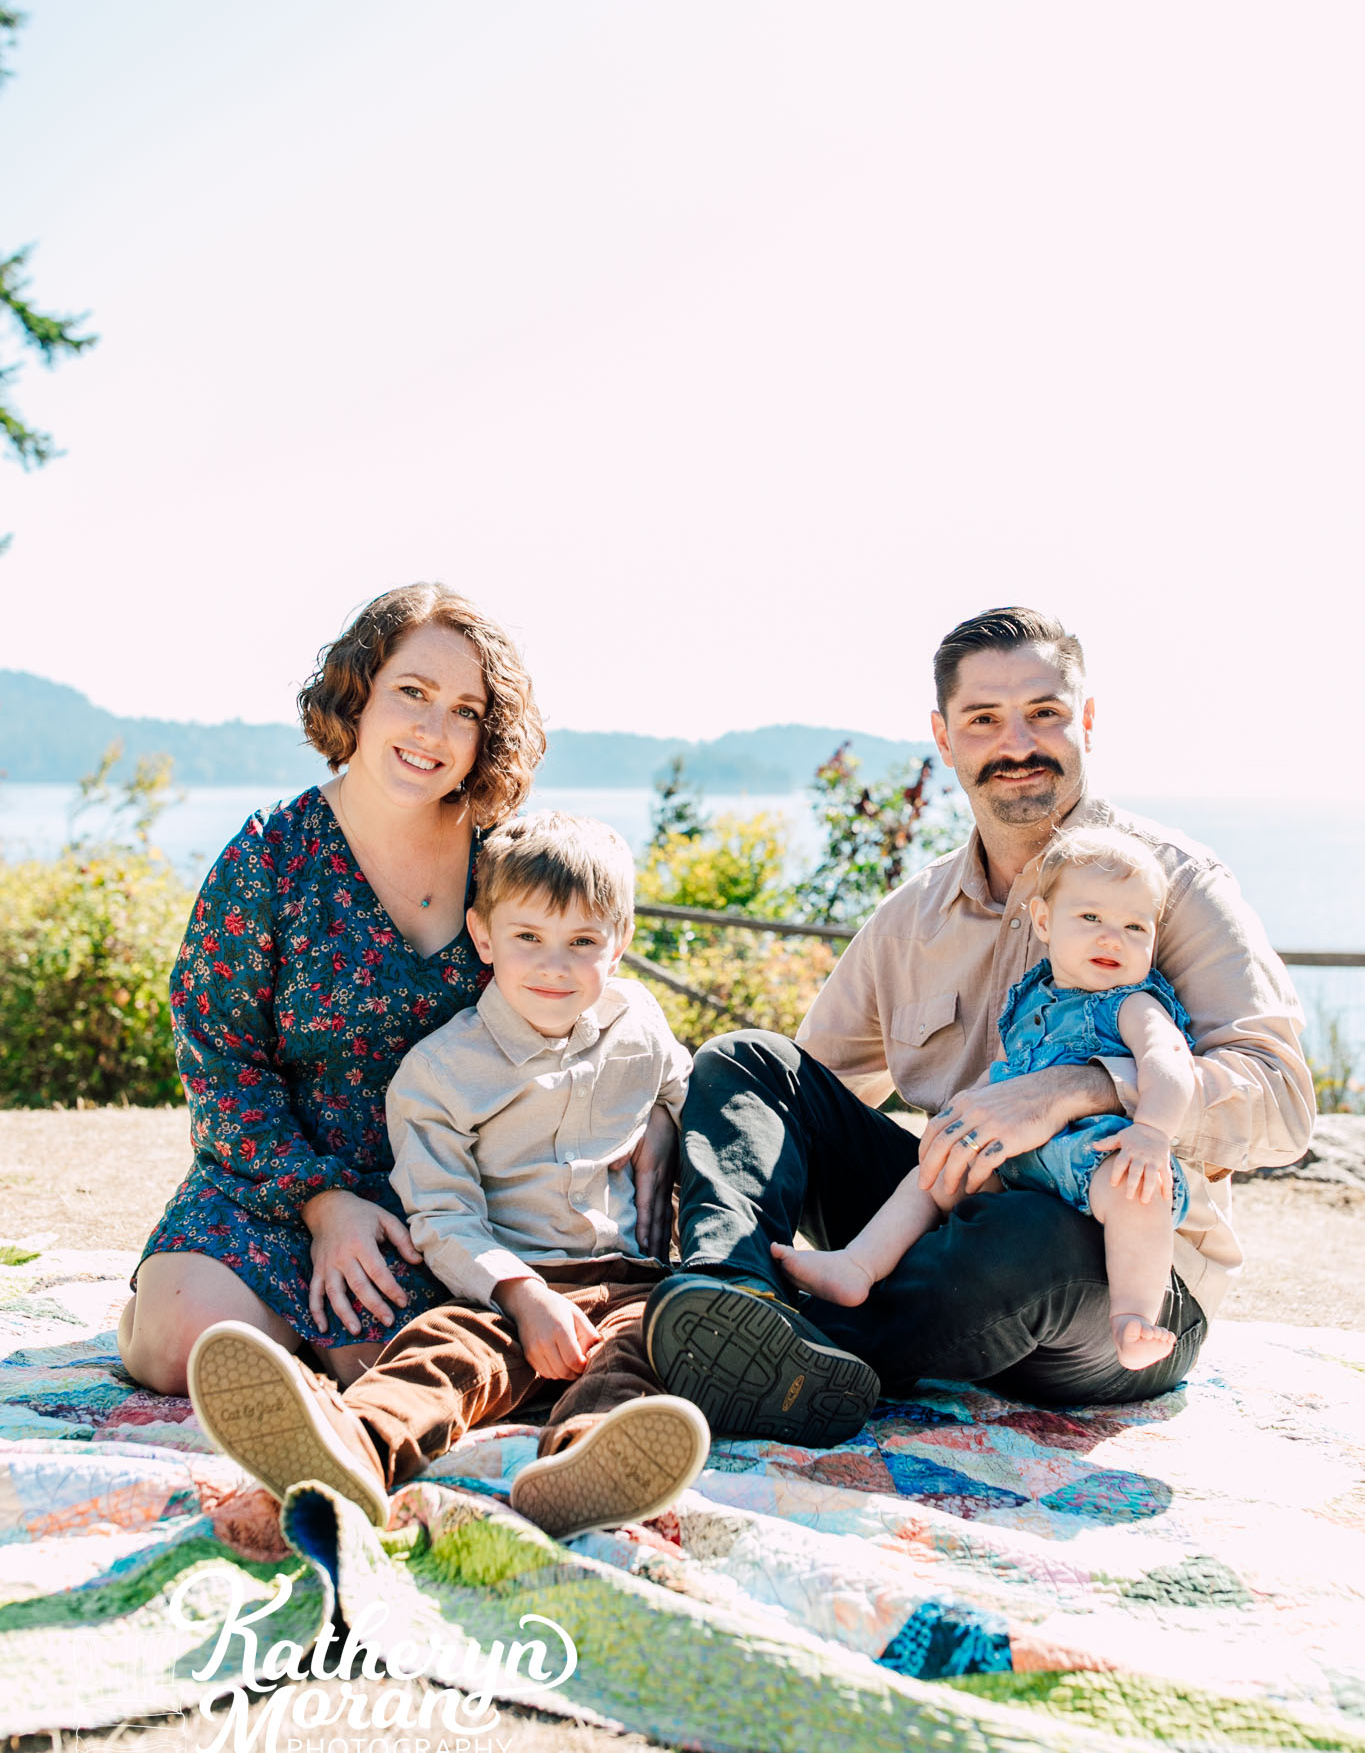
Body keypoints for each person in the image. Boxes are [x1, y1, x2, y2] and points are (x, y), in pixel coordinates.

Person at [643, 607, 1314, 1440]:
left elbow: (1283, 1107)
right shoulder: (910, 917)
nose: (1017, 744)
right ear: (944, 736)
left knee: (1026, 1232)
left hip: (1112, 1283)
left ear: (1087, 722)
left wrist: (1076, 1088)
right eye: (984, 720)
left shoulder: (1173, 887)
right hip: (944, 1234)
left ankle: (811, 1354)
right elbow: (798, 1106)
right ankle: (725, 1303)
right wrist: (667, 1132)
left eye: (1043, 713)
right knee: (748, 1060)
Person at [119, 582, 676, 1396]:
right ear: (359, 696)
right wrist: (321, 1201)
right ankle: (218, 1316)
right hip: (280, 1177)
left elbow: (593, 987)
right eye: (411, 693)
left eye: (464, 709)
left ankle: (322, 1373)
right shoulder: (269, 858)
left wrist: (656, 1110)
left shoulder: (506, 858)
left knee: (409, 1368)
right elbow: (219, 1062)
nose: (432, 730)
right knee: (184, 1345)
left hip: (461, 1190)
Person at [187, 812, 710, 1538]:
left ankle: (586, 1469)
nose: (554, 966)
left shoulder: (641, 1025)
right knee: (440, 1356)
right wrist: (522, 1298)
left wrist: (667, 1117)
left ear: (618, 944)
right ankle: (352, 1448)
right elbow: (441, 1213)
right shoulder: (436, 1073)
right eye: (528, 938)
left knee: (637, 1356)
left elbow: (694, 1094)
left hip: (633, 1278)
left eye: (582, 943)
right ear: (483, 936)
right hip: (505, 1286)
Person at [774, 826, 1200, 1372]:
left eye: (1134, 926)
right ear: (1045, 921)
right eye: (1091, 918)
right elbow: (1005, 1078)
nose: (1112, 938)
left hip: (1095, 1160)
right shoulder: (1032, 998)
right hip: (1017, 1166)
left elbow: (1171, 1064)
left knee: (1138, 1193)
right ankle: (857, 1266)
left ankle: (1133, 1316)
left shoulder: (1132, 1004)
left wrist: (1153, 1132)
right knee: (932, 1169)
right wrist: (957, 1118)